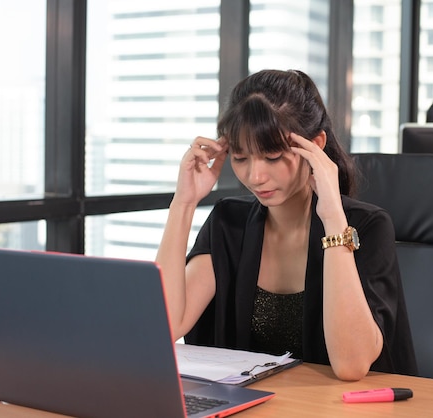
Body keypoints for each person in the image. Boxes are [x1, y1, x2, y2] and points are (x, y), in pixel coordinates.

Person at [156, 69, 417, 381]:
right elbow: (164, 327)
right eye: (241, 158)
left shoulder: (367, 226)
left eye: (273, 156)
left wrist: (333, 216)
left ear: (315, 145)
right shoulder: (229, 222)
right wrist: (183, 203)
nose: (255, 177)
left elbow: (351, 365)